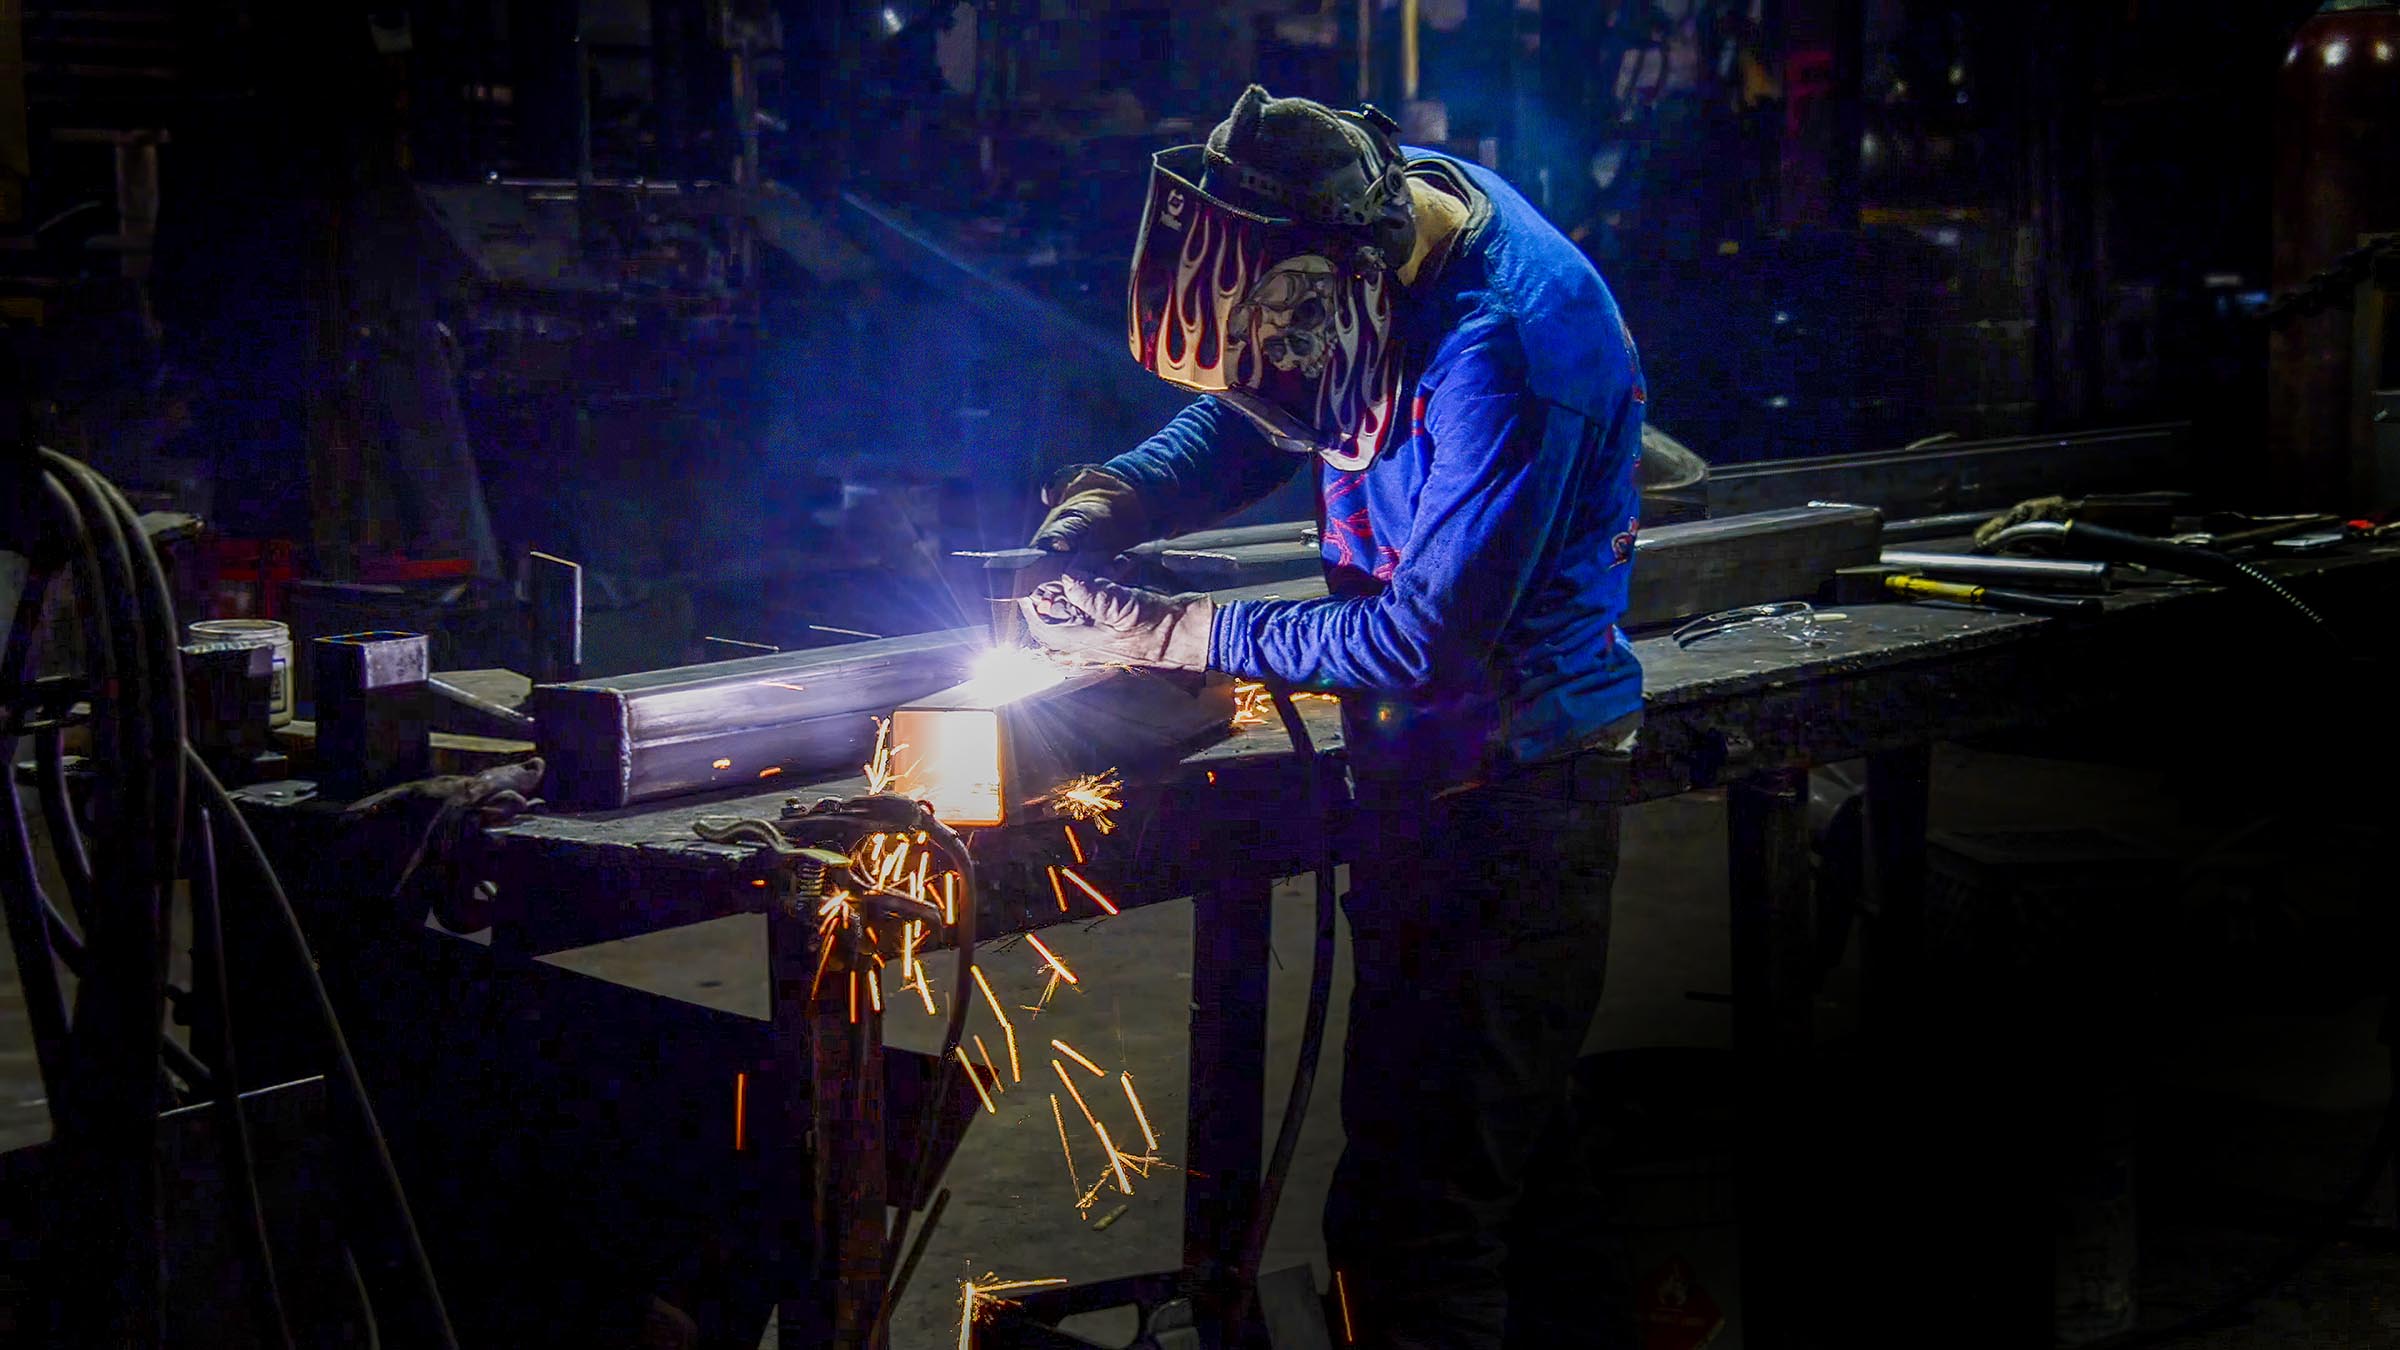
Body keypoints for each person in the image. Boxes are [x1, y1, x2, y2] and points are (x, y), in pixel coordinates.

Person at [1020, 84, 1646, 1350]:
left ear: (1354, 273)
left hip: (1515, 802)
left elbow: (1421, 643)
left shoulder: (1508, 353)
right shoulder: (1364, 211)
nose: (1290, 347)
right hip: (1426, 787)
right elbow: (1260, 405)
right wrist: (1118, 498)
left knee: (1418, 1233)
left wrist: (1172, 632)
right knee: (1519, 1193)